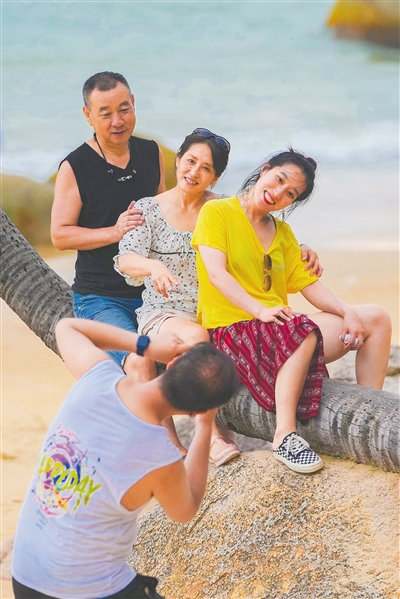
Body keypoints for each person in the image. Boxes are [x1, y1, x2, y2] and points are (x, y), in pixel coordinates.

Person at [114, 132, 323, 465]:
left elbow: (263, 230)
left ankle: (234, 433)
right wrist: (153, 266)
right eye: (191, 161)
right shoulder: (147, 209)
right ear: (178, 160)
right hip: (167, 311)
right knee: (197, 337)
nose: (195, 172)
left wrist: (304, 248)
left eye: (206, 168)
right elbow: (126, 259)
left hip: (216, 311)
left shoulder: (223, 207)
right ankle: (210, 436)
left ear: (215, 176)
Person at [191, 148, 392, 474]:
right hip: (230, 332)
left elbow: (309, 286)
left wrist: (347, 311)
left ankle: (368, 413)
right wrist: (259, 310)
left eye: (290, 194)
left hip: (277, 329)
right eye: (279, 179)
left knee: (376, 318)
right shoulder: (217, 212)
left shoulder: (283, 233)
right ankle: (284, 436)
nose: (278, 193)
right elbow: (216, 274)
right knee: (299, 327)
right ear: (265, 169)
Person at [11, 319, 238, 599]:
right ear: (196, 411)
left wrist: (146, 345)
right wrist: (205, 427)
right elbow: (185, 511)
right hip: (87, 590)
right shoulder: (161, 457)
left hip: (26, 576)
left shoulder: (98, 378)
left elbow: (67, 327)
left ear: (171, 363)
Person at [51, 71, 165, 374]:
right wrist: (115, 232)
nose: (118, 121)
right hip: (100, 298)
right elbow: (60, 235)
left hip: (152, 294)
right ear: (88, 115)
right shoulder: (75, 166)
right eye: (105, 113)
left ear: (134, 103)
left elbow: (164, 216)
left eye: (124, 109)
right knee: (141, 360)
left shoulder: (150, 152)